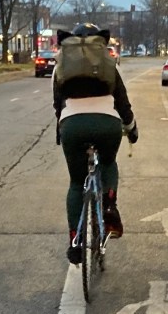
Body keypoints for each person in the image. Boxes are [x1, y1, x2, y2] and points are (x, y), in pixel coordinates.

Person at [53, 22, 139, 265]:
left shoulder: (62, 65)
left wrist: (61, 132)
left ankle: (75, 242)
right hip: (107, 124)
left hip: (72, 125)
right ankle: (109, 204)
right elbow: (123, 103)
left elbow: (57, 104)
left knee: (76, 182)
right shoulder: (110, 64)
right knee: (109, 162)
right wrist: (132, 129)